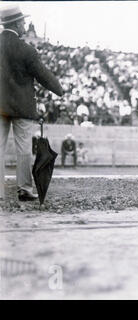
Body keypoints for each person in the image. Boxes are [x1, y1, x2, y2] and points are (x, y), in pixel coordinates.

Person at [0, 6, 64, 201]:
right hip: (23, 107)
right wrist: (59, 90)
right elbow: (43, 75)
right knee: (24, 150)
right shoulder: (26, 50)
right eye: (24, 23)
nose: (25, 26)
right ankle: (24, 190)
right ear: (17, 24)